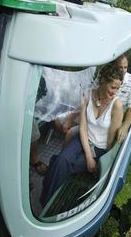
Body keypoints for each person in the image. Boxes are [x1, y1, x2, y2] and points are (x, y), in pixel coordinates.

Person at [40, 63, 123, 206]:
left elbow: (110, 142)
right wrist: (89, 158)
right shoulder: (87, 94)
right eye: (113, 87)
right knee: (62, 161)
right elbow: (83, 128)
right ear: (103, 80)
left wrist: (102, 164)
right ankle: (47, 203)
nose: (114, 91)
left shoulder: (116, 106)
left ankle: (45, 200)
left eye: (118, 88)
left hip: (99, 148)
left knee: (60, 163)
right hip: (83, 139)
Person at [58, 55, 131, 144]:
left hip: (110, 121)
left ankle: (81, 145)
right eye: (120, 67)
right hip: (94, 114)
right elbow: (89, 97)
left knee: (72, 133)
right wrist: (71, 118)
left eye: (125, 67)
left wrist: (125, 126)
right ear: (113, 67)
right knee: (58, 120)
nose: (123, 71)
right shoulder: (104, 77)